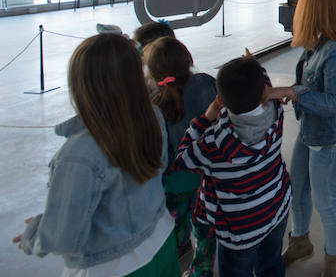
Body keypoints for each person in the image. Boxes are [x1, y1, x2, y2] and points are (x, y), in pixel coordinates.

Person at [14, 33, 178, 275]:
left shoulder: (80, 153)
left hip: (112, 267)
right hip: (161, 242)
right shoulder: (152, 116)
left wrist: (36, 235)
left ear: (82, 85)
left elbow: (64, 236)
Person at [173, 57, 293, 277]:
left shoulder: (213, 143)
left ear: (220, 100)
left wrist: (205, 119)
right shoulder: (276, 113)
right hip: (277, 208)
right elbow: (263, 82)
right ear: (264, 92)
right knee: (271, 263)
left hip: (241, 231)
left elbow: (182, 159)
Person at [282, 0, 336, 277]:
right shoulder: (319, 43)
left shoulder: (334, 51)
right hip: (312, 132)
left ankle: (332, 260)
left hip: (332, 140)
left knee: (326, 200)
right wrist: (295, 92)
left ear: (313, 5)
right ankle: (300, 241)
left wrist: (294, 93)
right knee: (298, 187)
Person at [144, 36, 218, 276]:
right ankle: (202, 270)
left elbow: (158, 155)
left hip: (175, 185)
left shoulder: (155, 104)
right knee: (206, 231)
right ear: (187, 60)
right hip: (209, 178)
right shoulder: (205, 83)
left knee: (174, 231)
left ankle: (179, 253)